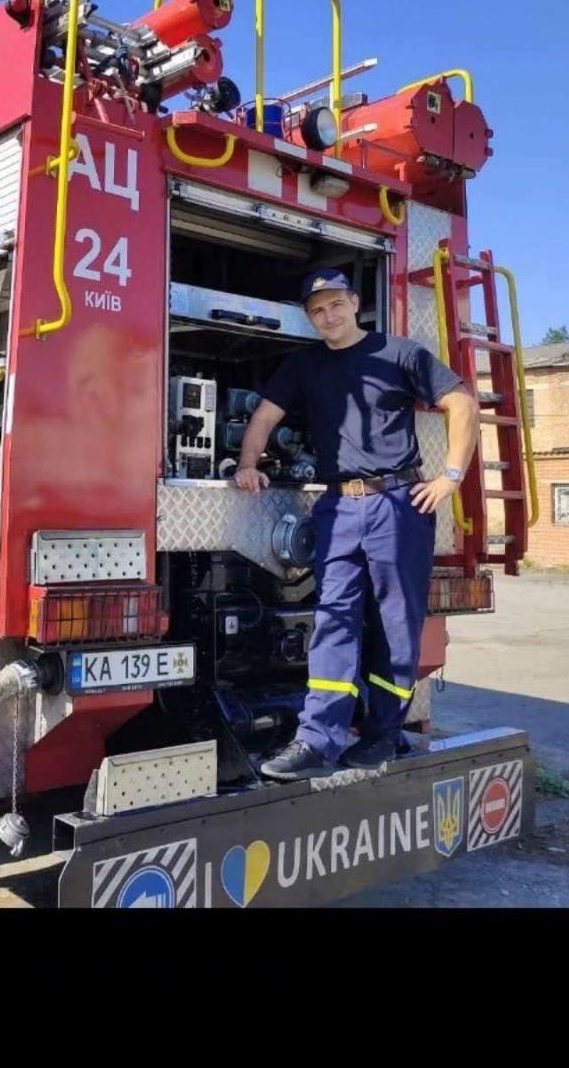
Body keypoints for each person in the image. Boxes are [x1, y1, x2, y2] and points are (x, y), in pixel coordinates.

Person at [233, 268, 479, 779]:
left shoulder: (400, 353)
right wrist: (248, 463)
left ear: (355, 302)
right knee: (334, 619)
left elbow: (461, 403)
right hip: (338, 507)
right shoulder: (305, 365)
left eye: (336, 305)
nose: (328, 316)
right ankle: (317, 740)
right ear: (310, 316)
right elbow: (264, 416)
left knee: (395, 624)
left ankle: (382, 734)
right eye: (317, 310)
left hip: (398, 505)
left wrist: (450, 477)